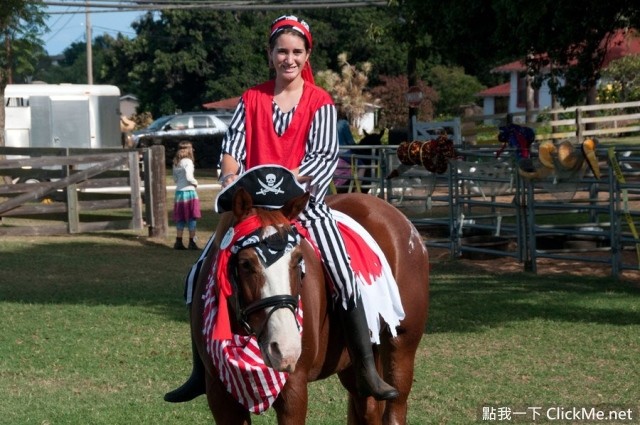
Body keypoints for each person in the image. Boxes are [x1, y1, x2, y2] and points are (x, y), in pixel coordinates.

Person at [164, 14, 398, 403]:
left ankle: (366, 369)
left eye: (297, 52)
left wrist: (289, 181)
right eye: (282, 51)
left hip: (301, 208)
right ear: (270, 54)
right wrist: (229, 177)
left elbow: (323, 158)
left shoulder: (321, 102)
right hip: (251, 211)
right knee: (197, 275)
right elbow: (232, 149)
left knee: (344, 274)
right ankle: (199, 371)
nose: (289, 59)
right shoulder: (251, 99)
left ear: (307, 55)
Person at [172, 141, 201, 250]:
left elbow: (175, 178)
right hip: (189, 192)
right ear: (189, 150)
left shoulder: (176, 162)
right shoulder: (188, 161)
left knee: (180, 218)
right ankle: (192, 242)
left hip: (179, 193)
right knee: (192, 218)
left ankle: (178, 242)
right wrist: (195, 182)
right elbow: (189, 177)